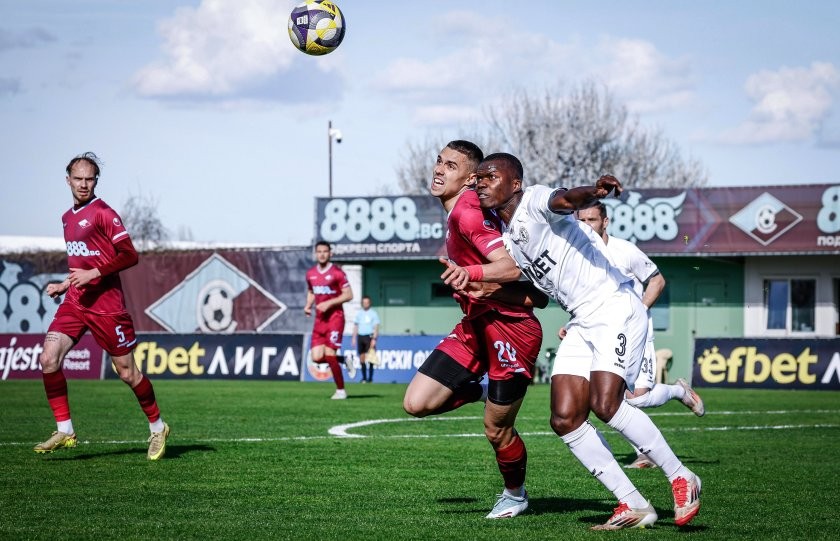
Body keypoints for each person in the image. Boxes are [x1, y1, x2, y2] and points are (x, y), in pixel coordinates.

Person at [443, 153, 702, 530]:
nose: (481, 182)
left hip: (615, 306)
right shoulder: (509, 240)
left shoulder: (534, 200)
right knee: (564, 418)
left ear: (515, 184)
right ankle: (633, 503)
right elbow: (536, 296)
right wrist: (479, 286)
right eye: (478, 177)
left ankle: (682, 476)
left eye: (490, 176)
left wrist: (594, 191)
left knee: (606, 404)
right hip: (581, 320)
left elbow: (566, 198)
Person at [403, 140, 548, 519]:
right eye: (439, 161)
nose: (439, 169)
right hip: (475, 325)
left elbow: (511, 267)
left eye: (451, 166)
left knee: (497, 430)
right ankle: (482, 391)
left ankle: (515, 495)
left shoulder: (467, 213)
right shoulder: (459, 211)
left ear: (470, 179)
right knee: (416, 403)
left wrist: (469, 273)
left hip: (510, 330)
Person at [35, 152, 170, 460]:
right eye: (78, 179)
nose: (84, 184)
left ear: (96, 181)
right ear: (68, 180)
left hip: (107, 307)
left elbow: (129, 255)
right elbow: (82, 261)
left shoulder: (104, 214)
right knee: (48, 358)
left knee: (128, 373)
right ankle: (65, 430)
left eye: (90, 179)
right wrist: (65, 284)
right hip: (76, 301)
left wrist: (93, 274)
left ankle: (158, 427)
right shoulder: (67, 218)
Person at [574, 203, 705, 469]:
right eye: (582, 220)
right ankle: (644, 452)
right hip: (600, 333)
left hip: (634, 332)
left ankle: (679, 391)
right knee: (606, 398)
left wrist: (639, 311)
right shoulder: (579, 254)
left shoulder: (624, 251)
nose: (586, 225)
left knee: (638, 398)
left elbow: (657, 281)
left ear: (605, 222)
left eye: (592, 219)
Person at [305, 240, 355, 399]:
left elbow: (349, 295)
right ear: (315, 254)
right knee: (316, 357)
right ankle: (344, 359)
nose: (322, 254)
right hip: (320, 320)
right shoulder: (310, 274)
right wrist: (308, 305)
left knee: (329, 353)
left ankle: (341, 390)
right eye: (319, 251)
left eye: (325, 251)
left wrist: (329, 303)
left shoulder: (337, 273)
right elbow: (311, 291)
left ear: (330, 253)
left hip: (335, 318)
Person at [352, 295, 380, 383]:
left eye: (367, 302)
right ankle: (364, 378)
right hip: (361, 336)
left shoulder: (373, 313)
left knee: (371, 357)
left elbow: (376, 327)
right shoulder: (359, 313)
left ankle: (370, 378)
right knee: (362, 357)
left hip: (369, 336)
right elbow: (356, 326)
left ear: (369, 303)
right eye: (364, 302)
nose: (365, 304)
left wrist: (374, 339)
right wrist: (354, 337)